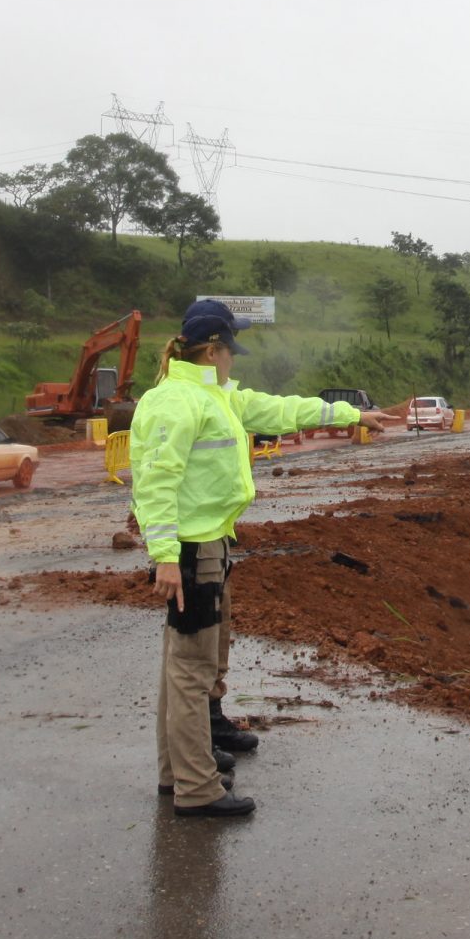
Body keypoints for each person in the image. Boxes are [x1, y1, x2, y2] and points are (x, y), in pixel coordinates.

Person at [131, 300, 389, 817]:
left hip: (209, 542)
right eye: (231, 350)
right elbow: (155, 480)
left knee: (181, 669)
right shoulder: (177, 402)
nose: (234, 361)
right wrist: (163, 556)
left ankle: (176, 774)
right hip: (190, 550)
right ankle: (197, 789)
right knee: (190, 672)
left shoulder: (215, 396)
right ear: (213, 350)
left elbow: (281, 409)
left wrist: (351, 414)